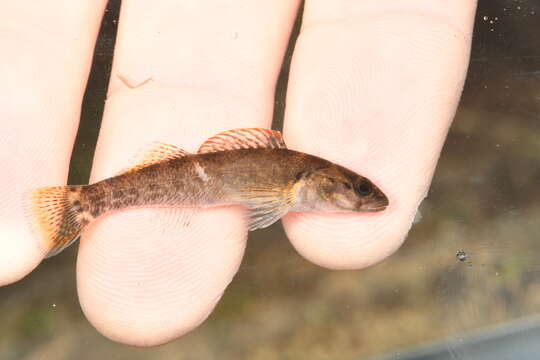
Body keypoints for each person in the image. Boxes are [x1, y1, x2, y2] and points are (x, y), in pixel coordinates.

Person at [0, 0, 477, 346]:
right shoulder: (293, 180)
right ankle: (83, 203)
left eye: (362, 190)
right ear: (323, 184)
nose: (362, 197)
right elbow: (263, 208)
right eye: (358, 190)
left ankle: (84, 203)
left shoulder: (295, 181)